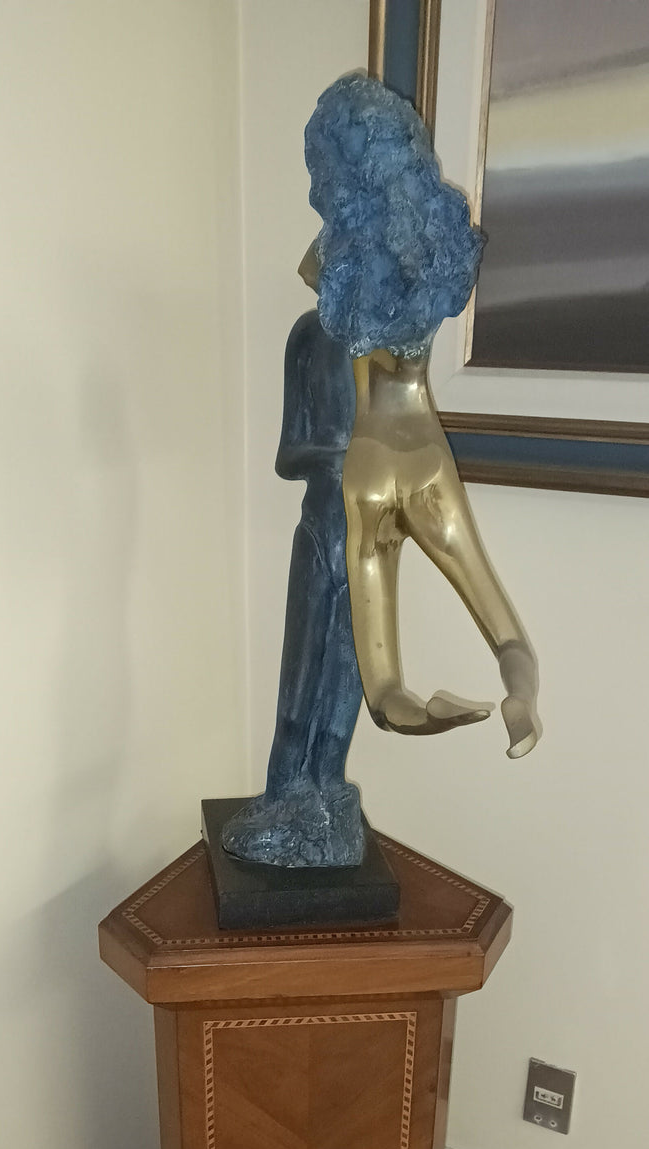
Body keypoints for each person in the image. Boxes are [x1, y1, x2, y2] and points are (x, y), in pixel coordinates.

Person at [223, 73, 539, 870]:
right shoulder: (414, 281)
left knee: (329, 675)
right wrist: (513, 688)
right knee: (377, 673)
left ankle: (297, 797)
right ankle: (315, 797)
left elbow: (296, 457)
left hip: (349, 490)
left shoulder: (321, 325)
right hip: (415, 460)